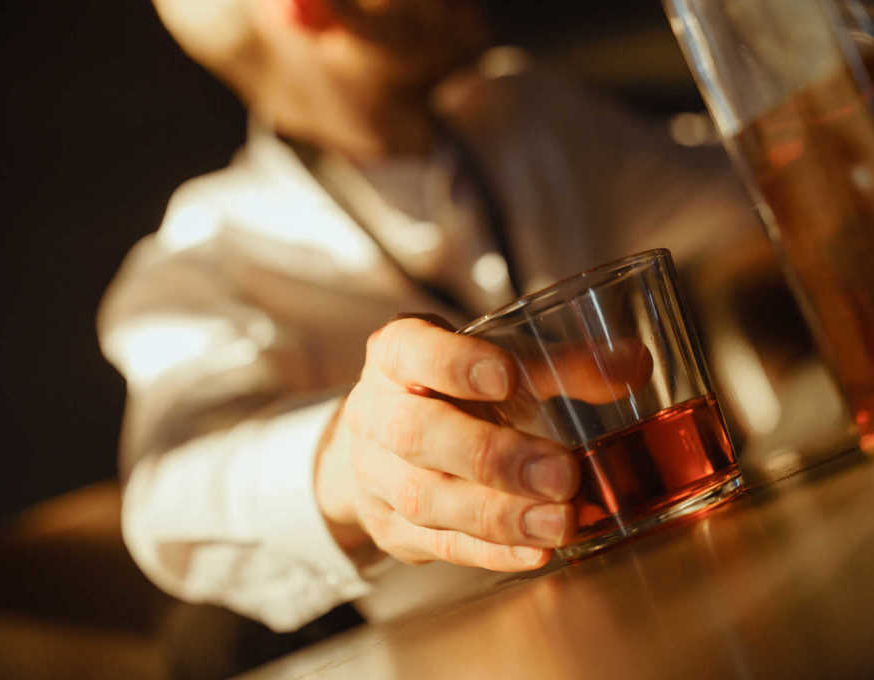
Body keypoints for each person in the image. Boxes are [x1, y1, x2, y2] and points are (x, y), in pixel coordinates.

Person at [99, 0, 763, 634]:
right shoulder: (205, 260)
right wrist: (351, 463)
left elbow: (755, 180)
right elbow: (168, 495)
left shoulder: (530, 116)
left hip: (711, 579)